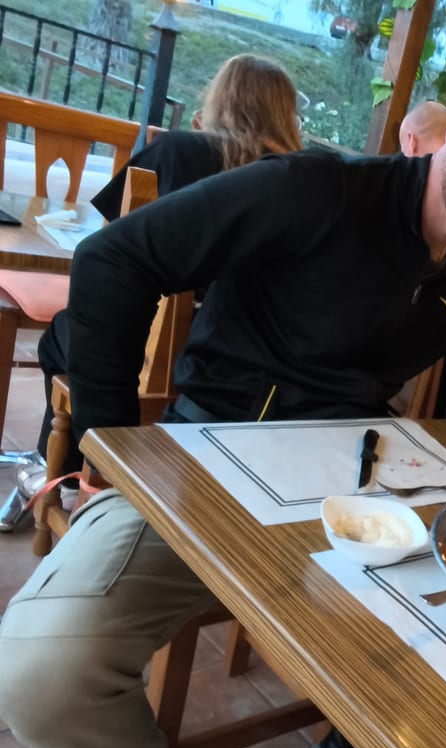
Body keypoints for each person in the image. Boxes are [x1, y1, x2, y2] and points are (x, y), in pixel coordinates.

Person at [0, 61, 446, 748]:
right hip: (208, 469)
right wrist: (114, 445)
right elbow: (113, 260)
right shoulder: (317, 188)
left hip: (359, 505)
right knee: (42, 677)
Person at [25, 53, 304, 491]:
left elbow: (106, 250)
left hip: (148, 357)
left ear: (219, 101)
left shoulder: (177, 152)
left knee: (60, 338)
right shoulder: (298, 184)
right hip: (235, 372)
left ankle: (61, 472)